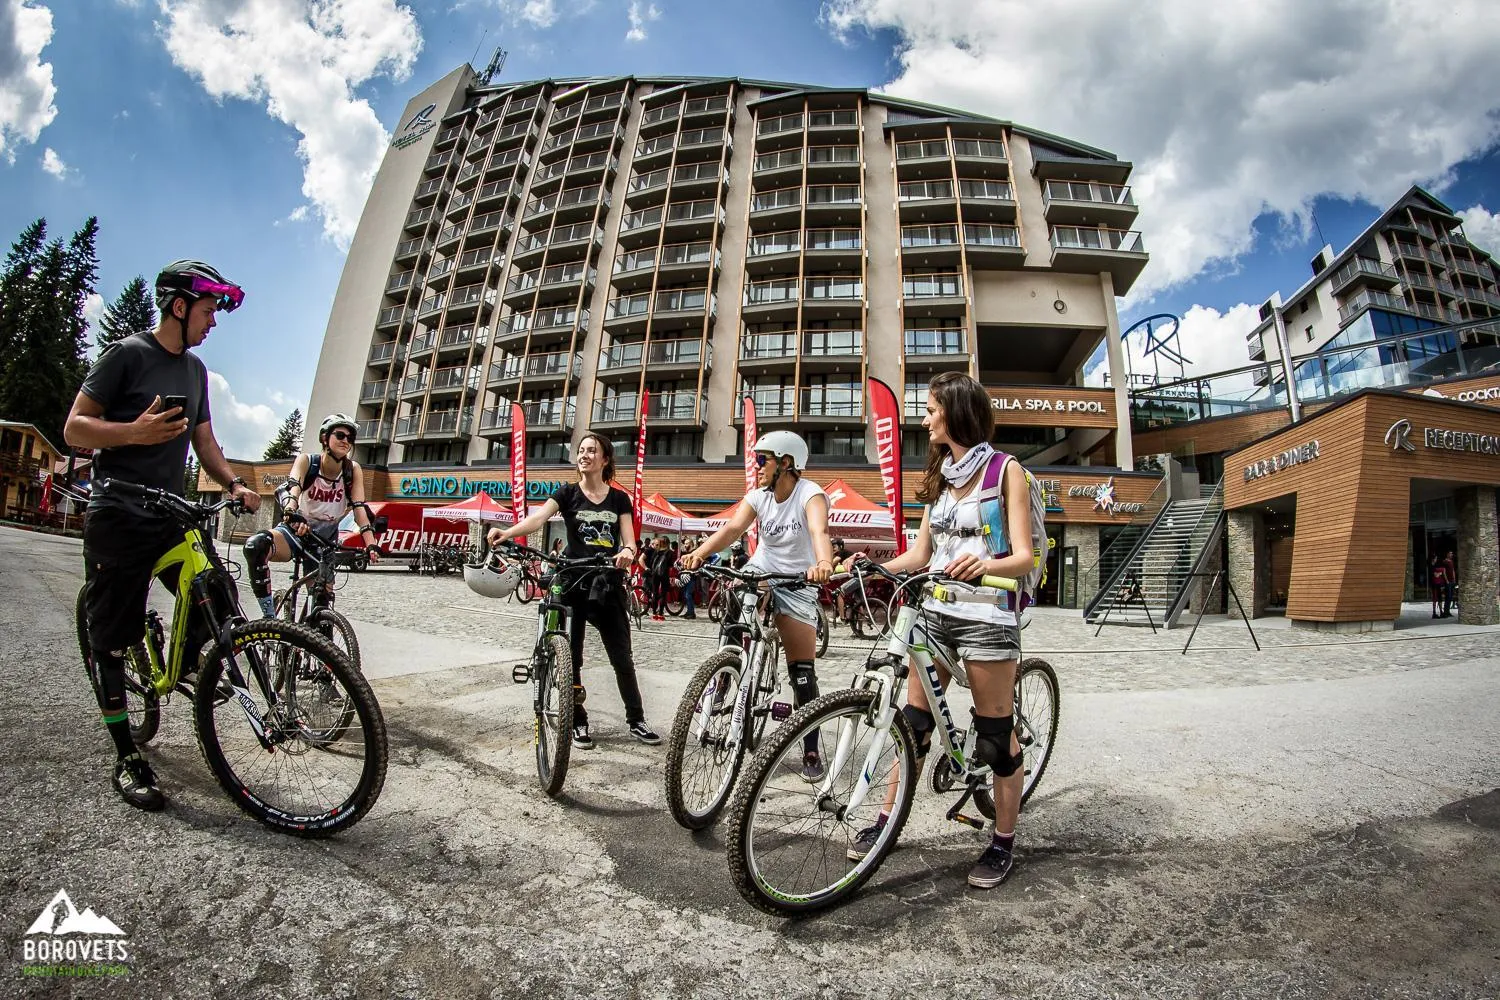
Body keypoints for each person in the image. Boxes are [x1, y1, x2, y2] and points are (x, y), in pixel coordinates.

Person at [64, 259, 262, 811]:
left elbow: (206, 442)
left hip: (167, 514)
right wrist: (134, 432)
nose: (212, 323)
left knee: (217, 596)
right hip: (119, 513)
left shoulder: (195, 372)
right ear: (179, 306)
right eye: (207, 311)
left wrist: (235, 483)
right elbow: (75, 426)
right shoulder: (127, 355)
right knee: (110, 636)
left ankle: (186, 662)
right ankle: (128, 756)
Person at [851, 371, 1033, 890]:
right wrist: (872, 565)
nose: (925, 418)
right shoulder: (941, 478)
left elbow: (1023, 555)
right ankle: (887, 823)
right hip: (935, 614)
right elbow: (921, 555)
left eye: (931, 409)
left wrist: (985, 563)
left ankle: (1002, 843)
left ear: (955, 411)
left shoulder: (1005, 471)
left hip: (988, 618)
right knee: (912, 726)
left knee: (997, 743)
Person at [489, 431, 660, 746]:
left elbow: (629, 541)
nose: (584, 455)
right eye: (581, 450)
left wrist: (627, 553)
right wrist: (508, 532)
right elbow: (538, 519)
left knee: (622, 657)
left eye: (591, 450)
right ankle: (578, 722)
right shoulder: (566, 493)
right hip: (572, 582)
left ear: (604, 459)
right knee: (574, 659)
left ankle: (636, 720)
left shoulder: (619, 498)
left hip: (607, 583)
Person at [682, 430, 835, 779]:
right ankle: (725, 674)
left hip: (798, 579)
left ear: (786, 463)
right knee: (737, 588)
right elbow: (733, 529)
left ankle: (811, 749)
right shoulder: (758, 496)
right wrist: (700, 552)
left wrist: (824, 563)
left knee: (802, 674)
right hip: (762, 569)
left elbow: (818, 533)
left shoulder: (810, 494)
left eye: (762, 459)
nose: (756, 466)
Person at [243, 413, 379, 620]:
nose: (346, 441)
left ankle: (308, 639)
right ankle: (269, 619)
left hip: (324, 541)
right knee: (257, 546)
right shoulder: (307, 461)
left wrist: (370, 544)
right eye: (340, 435)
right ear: (325, 438)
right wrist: (291, 512)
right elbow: (293, 487)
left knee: (321, 609)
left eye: (350, 438)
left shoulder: (353, 470)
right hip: (295, 531)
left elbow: (359, 507)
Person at [647, 536, 673, 621]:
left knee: (655, 592)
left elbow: (651, 563)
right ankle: (661, 614)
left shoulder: (656, 551)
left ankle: (654, 614)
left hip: (654, 574)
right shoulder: (669, 552)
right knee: (663, 594)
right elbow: (670, 565)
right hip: (664, 574)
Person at [1430, 554, 1447, 619]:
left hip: (1437, 584)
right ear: (1433, 559)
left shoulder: (1434, 566)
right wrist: (1440, 573)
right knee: (1435, 598)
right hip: (1434, 584)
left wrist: (1439, 573)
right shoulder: (1432, 566)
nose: (1436, 559)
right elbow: (1436, 575)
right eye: (1436, 558)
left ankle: (1441, 612)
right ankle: (1434, 613)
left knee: (1439, 598)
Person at [1442, 550, 1458, 618]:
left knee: (1451, 596)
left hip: (1452, 581)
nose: (1451, 555)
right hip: (1448, 581)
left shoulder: (1451, 561)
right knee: (1447, 596)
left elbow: (1453, 570)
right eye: (1450, 554)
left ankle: (1448, 611)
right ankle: (1445, 611)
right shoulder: (1445, 561)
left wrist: (1454, 579)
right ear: (1447, 554)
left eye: (1452, 554)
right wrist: (1446, 580)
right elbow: (1444, 571)